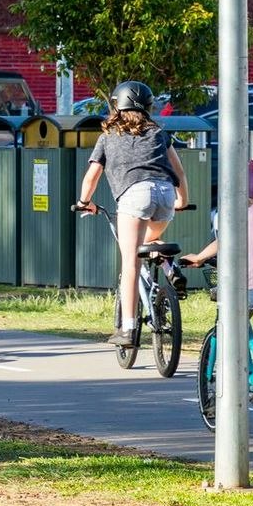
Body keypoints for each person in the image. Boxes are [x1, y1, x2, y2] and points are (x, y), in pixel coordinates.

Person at [73, 80, 189, 346]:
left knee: (130, 262)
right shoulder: (159, 132)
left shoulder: (107, 138)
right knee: (148, 242)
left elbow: (92, 177)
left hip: (135, 195)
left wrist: (83, 202)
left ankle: (128, 330)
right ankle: (169, 266)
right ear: (148, 106)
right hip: (164, 194)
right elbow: (179, 171)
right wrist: (182, 201)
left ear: (116, 106)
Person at [180, 159, 253, 337]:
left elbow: (224, 241)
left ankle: (245, 357)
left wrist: (199, 258)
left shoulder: (244, 216)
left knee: (237, 321)